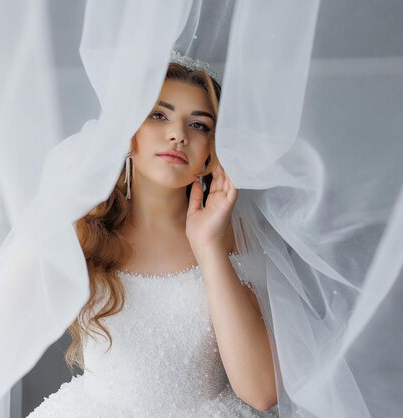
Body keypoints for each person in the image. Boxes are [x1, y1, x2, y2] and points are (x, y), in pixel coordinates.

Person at [26, 54, 280, 417]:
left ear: (211, 153)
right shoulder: (81, 231)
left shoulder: (233, 237)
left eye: (200, 125)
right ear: (128, 132)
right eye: (159, 115)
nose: (178, 134)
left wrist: (207, 246)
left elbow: (261, 392)